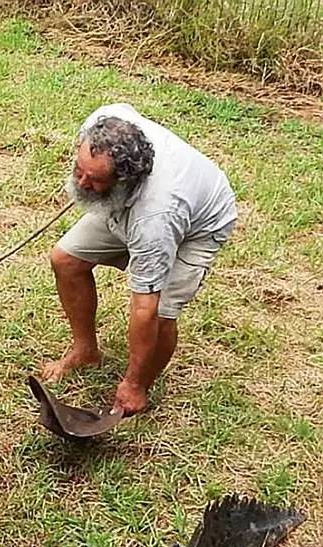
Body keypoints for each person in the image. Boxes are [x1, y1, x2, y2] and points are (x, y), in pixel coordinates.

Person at [42, 103, 238, 415]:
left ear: (123, 181)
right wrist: (92, 176)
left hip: (199, 225)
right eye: (80, 170)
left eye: (93, 180)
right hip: (130, 204)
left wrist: (133, 382)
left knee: (160, 313)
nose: (81, 185)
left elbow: (145, 308)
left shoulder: (156, 218)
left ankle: (138, 386)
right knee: (66, 260)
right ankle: (85, 351)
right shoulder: (101, 121)